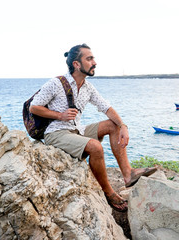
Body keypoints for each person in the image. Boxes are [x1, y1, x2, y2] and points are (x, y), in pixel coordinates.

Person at [29, 43, 157, 212]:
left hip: (76, 130)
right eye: (89, 59)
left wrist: (123, 125)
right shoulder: (56, 83)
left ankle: (128, 174)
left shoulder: (88, 88)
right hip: (56, 133)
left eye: (93, 58)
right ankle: (109, 193)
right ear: (76, 64)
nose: (94, 62)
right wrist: (59, 115)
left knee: (113, 125)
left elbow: (106, 108)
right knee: (95, 147)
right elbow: (34, 107)